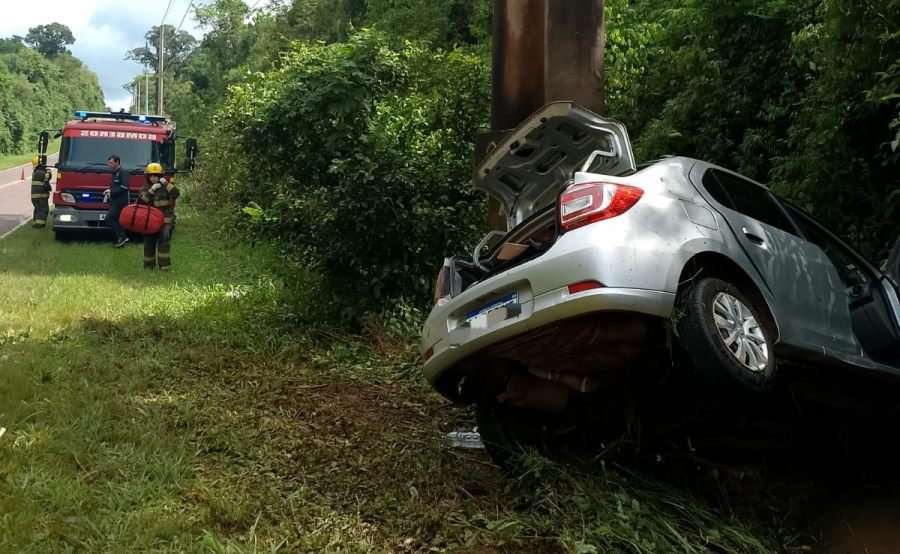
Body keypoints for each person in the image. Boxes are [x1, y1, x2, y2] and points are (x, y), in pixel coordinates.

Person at [138, 163, 179, 271]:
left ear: (160, 176)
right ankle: (148, 266)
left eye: (156, 176)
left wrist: (166, 183)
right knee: (148, 243)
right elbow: (141, 201)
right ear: (148, 177)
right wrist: (151, 191)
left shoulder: (166, 186)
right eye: (151, 176)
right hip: (149, 221)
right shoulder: (145, 187)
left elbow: (176, 194)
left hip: (164, 220)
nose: (153, 178)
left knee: (164, 242)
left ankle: (164, 266)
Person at [104, 155, 130, 248]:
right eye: (108, 163)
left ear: (117, 162)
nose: (109, 164)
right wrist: (109, 191)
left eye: (111, 162)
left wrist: (111, 191)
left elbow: (125, 187)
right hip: (114, 201)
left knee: (109, 218)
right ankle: (120, 238)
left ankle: (122, 237)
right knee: (115, 219)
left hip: (121, 202)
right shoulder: (114, 173)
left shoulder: (123, 172)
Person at [30, 156, 52, 228]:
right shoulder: (40, 172)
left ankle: (35, 222)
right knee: (43, 209)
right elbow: (48, 176)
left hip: (36, 196)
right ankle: (40, 224)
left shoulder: (36, 172)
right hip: (40, 196)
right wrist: (48, 169)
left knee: (38, 209)